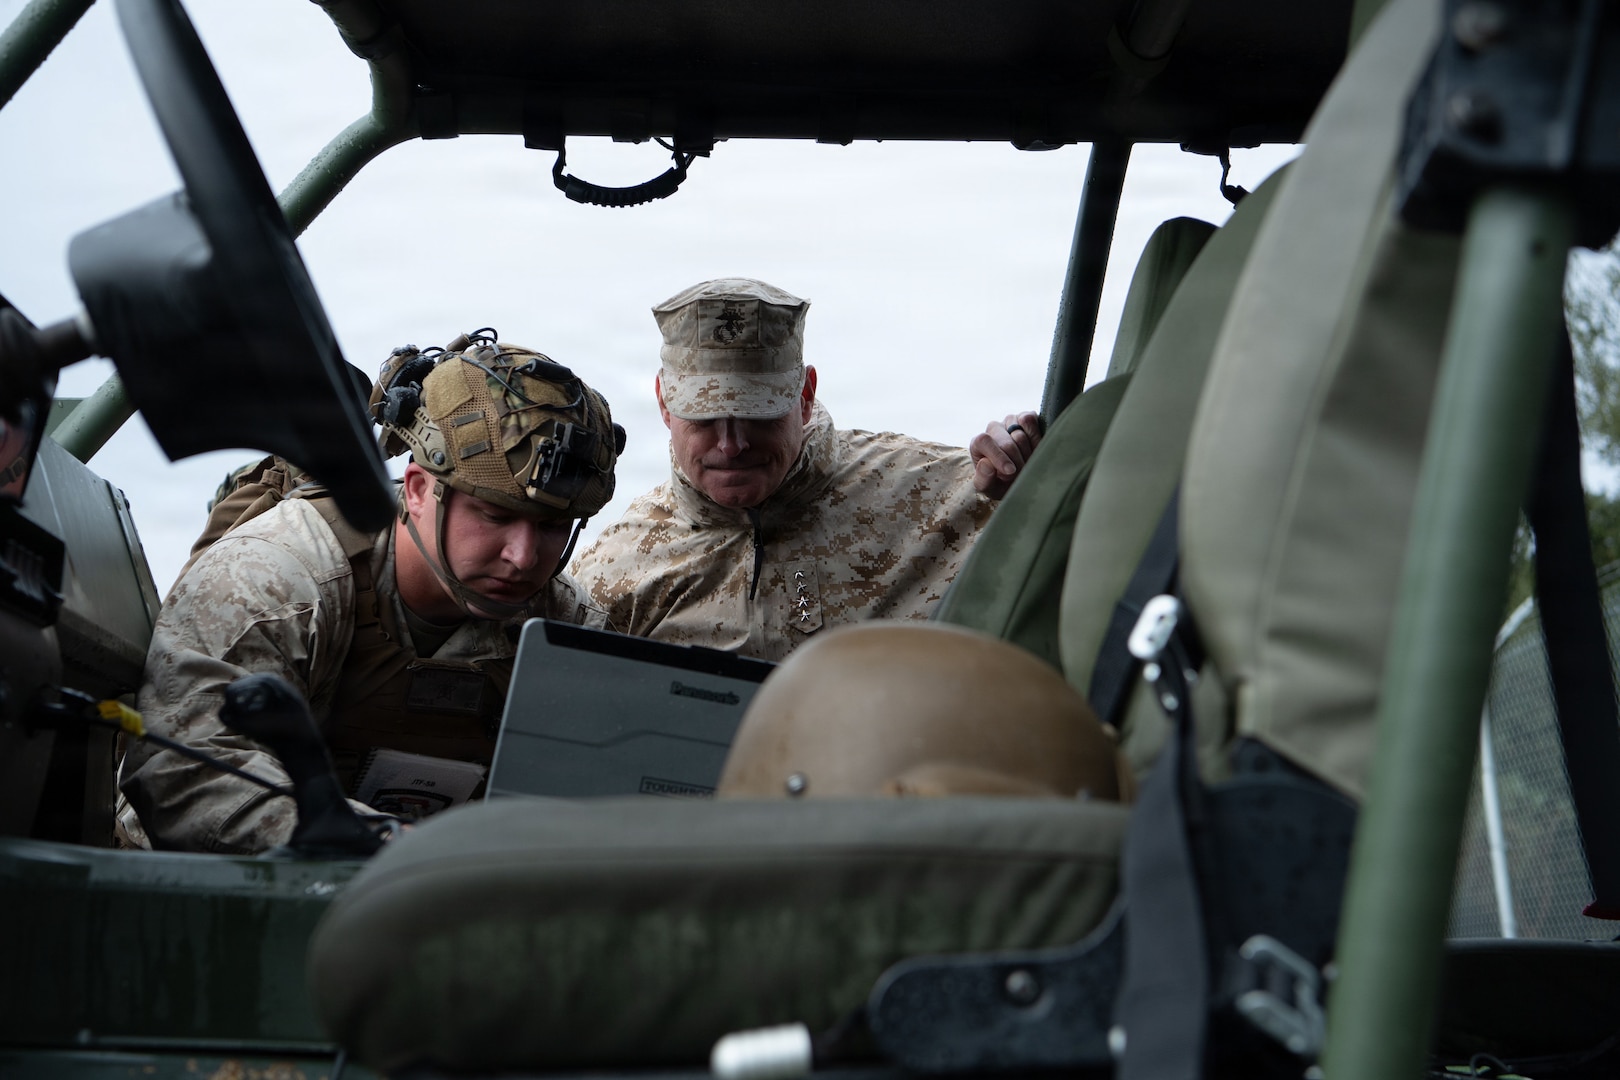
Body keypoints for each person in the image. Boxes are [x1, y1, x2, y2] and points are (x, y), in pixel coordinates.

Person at [120, 331, 623, 853]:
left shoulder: (565, 627)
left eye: (551, 527)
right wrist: (381, 845)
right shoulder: (277, 576)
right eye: (495, 516)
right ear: (419, 489)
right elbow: (182, 769)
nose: (523, 556)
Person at [571, 278, 1040, 662]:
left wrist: (1044, 473)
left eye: (758, 415)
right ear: (664, 405)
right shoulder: (614, 571)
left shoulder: (961, 494)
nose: (732, 445)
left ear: (805, 395)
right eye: (705, 419)